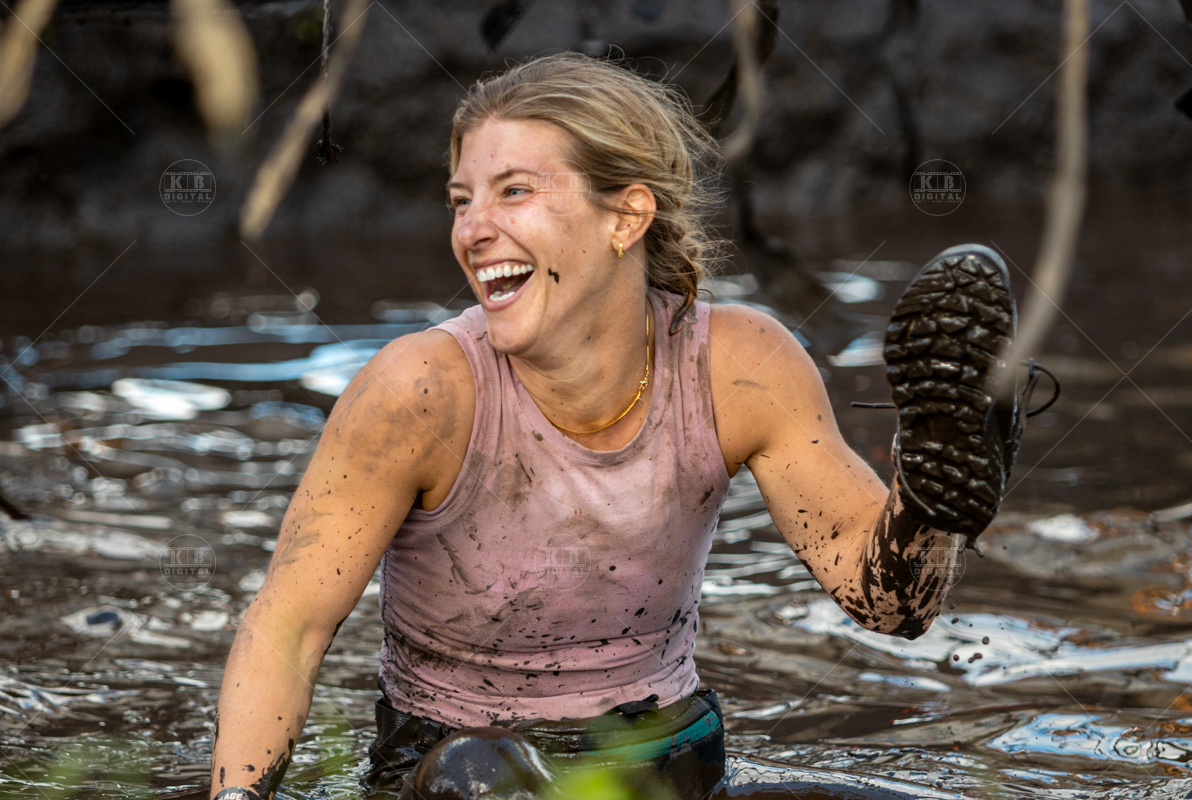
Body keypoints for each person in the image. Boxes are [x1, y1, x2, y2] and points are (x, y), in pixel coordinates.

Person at [207, 52, 1051, 800]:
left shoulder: (741, 364)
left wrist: (932, 502)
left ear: (627, 215)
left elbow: (889, 604)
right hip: (458, 774)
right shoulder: (419, 390)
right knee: (487, 778)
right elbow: (287, 627)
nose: (470, 230)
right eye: (461, 200)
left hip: (672, 768)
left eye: (514, 192)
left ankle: (944, 464)